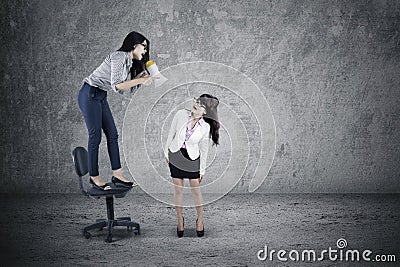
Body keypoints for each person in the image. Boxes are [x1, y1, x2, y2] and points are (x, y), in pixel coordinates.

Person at [78, 31, 154, 190]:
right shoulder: (119, 56)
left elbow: (122, 88)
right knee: (95, 136)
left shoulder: (128, 62)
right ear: (134, 45)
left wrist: (139, 77)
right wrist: (140, 80)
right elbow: (117, 85)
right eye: (143, 47)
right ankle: (94, 176)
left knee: (112, 134)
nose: (145, 51)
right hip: (89, 94)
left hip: (100, 96)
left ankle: (117, 174)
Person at [164, 94, 220, 237]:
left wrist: (202, 170)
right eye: (196, 101)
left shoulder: (205, 127)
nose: (196, 104)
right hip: (176, 154)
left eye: (200, 104)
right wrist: (166, 153)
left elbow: (204, 149)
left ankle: (200, 220)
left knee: (195, 190)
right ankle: (180, 221)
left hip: (193, 158)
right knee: (178, 191)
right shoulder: (180, 114)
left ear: (205, 111)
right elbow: (171, 134)